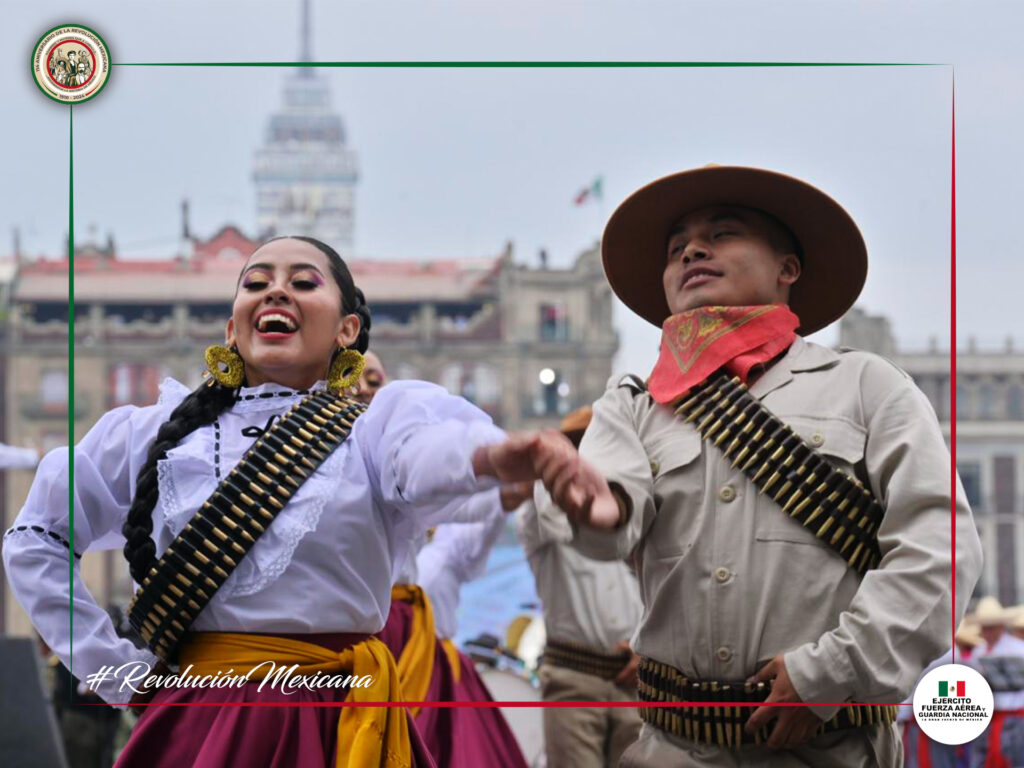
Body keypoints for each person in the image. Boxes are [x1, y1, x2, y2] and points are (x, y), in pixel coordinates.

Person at [1, 235, 577, 768]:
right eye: (256, 283)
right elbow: (37, 538)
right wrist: (118, 672)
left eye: (304, 282)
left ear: (347, 329)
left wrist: (495, 456)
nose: (276, 291)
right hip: (204, 726)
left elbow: (427, 454)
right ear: (232, 327)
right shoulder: (152, 435)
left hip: (339, 724)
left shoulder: (373, 432)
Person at [535, 164, 982, 766]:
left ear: (787, 268)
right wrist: (592, 505)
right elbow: (604, 527)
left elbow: (941, 552)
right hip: (674, 750)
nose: (692, 250)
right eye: (676, 247)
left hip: (832, 750)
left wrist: (829, 673)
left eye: (721, 233)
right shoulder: (633, 405)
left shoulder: (868, 387)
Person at [357, 350, 530, 768]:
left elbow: (452, 487)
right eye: (348, 376)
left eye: (374, 381)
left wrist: (508, 475)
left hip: (402, 639)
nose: (361, 388)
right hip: (335, 646)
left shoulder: (397, 461)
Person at [516, 404, 644, 768]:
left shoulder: (637, 509)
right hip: (573, 682)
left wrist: (646, 651)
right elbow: (538, 503)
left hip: (635, 681)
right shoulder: (544, 513)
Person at [966, 597, 1024, 767]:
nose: (987, 632)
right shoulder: (978, 652)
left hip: (1015, 719)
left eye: (991, 627)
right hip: (988, 719)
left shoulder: (1018, 649)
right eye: (984, 628)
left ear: (1000, 626)